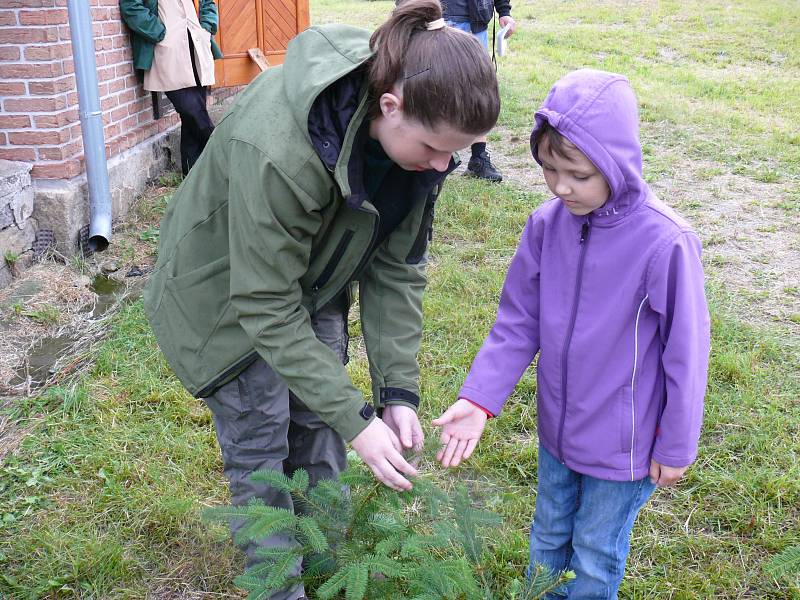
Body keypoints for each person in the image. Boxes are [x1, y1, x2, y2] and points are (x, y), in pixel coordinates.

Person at [143, 1, 499, 597]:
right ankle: (279, 587)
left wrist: (395, 394)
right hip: (226, 303)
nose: (445, 166)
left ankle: (329, 571)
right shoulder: (280, 149)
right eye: (437, 149)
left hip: (310, 281)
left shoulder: (416, 146)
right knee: (262, 446)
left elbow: (396, 270)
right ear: (391, 106)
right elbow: (263, 305)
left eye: (456, 153)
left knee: (323, 426)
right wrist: (360, 422)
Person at [433, 69, 710, 598]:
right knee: (549, 535)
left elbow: (687, 353)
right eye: (549, 170)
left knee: (594, 553)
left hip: (623, 449)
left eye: (578, 174)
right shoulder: (546, 224)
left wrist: (675, 444)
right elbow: (518, 320)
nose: (562, 187)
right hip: (558, 433)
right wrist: (479, 399)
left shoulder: (665, 243)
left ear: (616, 163)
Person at [120, 0, 223, 175]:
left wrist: (206, 27)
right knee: (193, 112)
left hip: (197, 47)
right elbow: (130, 6)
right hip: (167, 51)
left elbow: (208, 3)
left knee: (190, 118)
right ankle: (226, 155)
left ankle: (192, 177)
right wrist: (159, 32)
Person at [442, 0, 516, 182]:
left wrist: (504, 11)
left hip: (476, 22)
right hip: (440, 21)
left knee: (478, 92)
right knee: (441, 90)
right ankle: (435, 155)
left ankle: (478, 158)